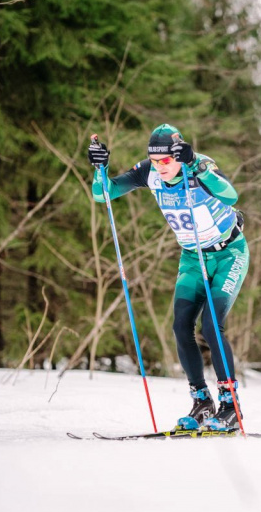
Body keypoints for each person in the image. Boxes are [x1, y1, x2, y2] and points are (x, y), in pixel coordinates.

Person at [88, 124, 248, 432]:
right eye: (154, 159)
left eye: (165, 161)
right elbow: (103, 195)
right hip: (192, 257)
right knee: (180, 325)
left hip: (229, 253)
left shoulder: (199, 164)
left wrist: (195, 169)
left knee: (211, 325)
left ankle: (230, 406)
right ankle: (202, 402)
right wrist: (100, 168)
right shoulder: (149, 172)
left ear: (178, 154)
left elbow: (230, 196)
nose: (159, 166)